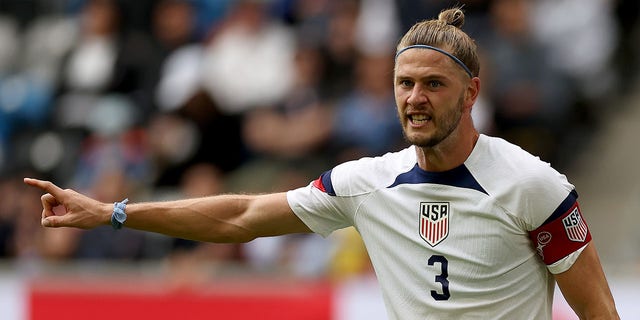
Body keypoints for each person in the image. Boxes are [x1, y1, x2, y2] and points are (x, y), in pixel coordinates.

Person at [24, 8, 619, 320]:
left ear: (471, 93)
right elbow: (241, 215)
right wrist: (114, 212)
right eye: (404, 83)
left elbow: (597, 312)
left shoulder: (533, 184)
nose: (415, 98)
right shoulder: (368, 183)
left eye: (433, 84)